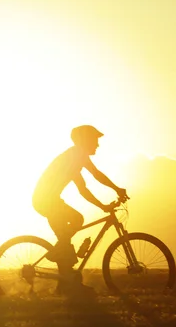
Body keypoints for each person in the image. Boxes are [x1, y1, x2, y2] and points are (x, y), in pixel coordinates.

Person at [32, 124, 128, 292]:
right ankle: (58, 252)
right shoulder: (76, 155)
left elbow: (83, 190)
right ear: (85, 140)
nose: (97, 145)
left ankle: (66, 284)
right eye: (95, 140)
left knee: (66, 243)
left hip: (47, 200)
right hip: (46, 200)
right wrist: (117, 189)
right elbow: (96, 174)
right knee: (76, 220)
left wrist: (103, 206)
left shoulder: (73, 160)